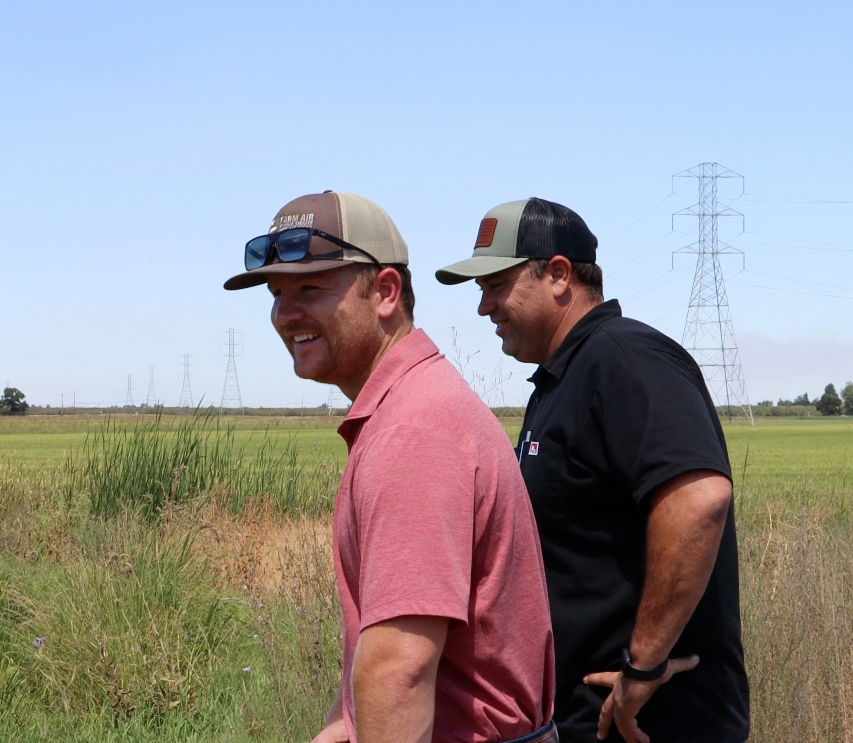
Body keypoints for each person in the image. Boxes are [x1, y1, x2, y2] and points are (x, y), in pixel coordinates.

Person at [224, 190, 556, 743]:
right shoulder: (410, 407)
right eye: (277, 294)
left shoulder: (413, 431)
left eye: (310, 289)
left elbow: (396, 672)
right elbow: (378, 648)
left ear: (385, 291)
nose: (285, 314)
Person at [436, 197, 750, 743]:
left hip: (655, 724)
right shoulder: (562, 380)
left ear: (558, 275)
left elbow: (699, 499)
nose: (484, 308)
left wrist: (643, 667)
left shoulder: (625, 359)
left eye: (495, 285)